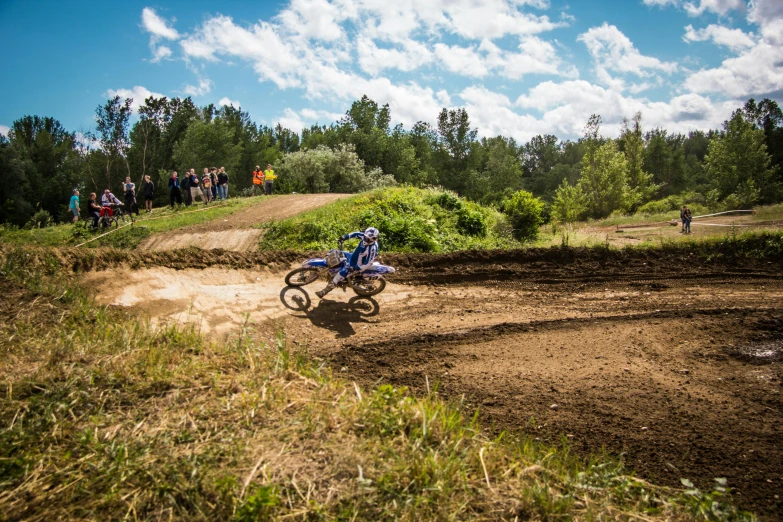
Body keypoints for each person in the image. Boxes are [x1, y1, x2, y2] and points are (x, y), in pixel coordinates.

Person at [316, 227, 380, 298]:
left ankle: (325, 291)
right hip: (353, 256)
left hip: (357, 264)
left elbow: (369, 263)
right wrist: (345, 237)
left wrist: (357, 268)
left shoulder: (372, 249)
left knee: (341, 273)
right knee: (335, 251)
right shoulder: (366, 237)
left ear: (373, 239)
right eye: (365, 236)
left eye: (367, 238)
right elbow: (355, 234)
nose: (365, 239)